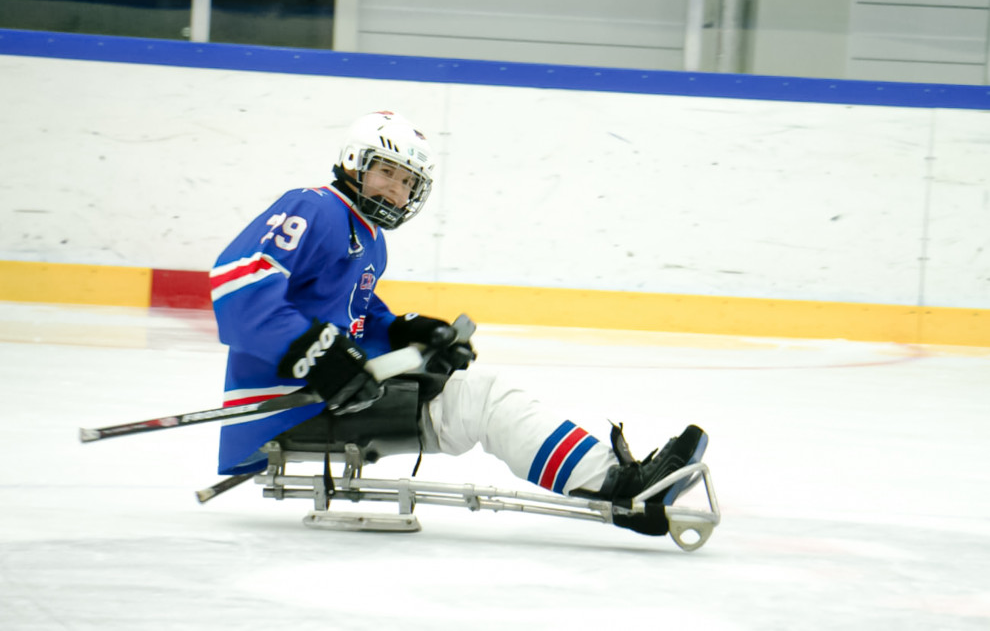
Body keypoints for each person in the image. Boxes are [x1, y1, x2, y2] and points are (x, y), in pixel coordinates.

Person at [209, 110, 709, 537]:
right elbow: (238, 285)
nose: (397, 190)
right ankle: (619, 485)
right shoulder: (313, 206)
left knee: (467, 389)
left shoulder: (368, 238)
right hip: (284, 403)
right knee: (480, 398)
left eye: (408, 182)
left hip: (329, 395)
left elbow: (356, 318)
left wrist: (408, 333)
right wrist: (317, 353)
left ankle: (616, 476)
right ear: (354, 163)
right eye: (387, 172)